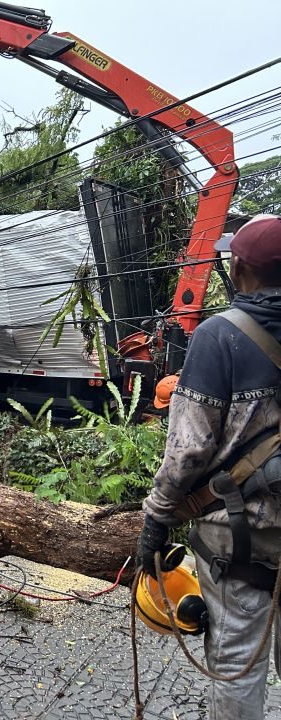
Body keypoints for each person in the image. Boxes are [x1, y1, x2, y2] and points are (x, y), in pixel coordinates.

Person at [139, 214, 281, 719]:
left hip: (242, 540)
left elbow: (188, 450)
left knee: (239, 666)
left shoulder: (219, 336)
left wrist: (155, 521)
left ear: (239, 268)